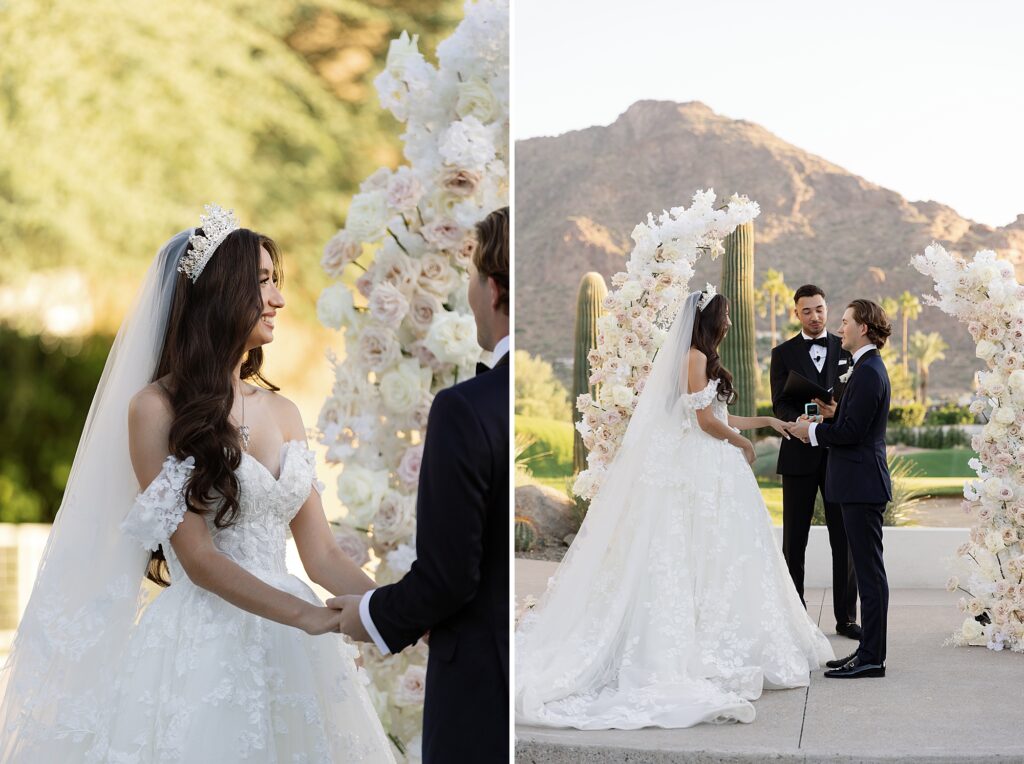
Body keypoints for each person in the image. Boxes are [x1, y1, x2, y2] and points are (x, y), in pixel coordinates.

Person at [0, 205, 395, 762]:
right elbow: (199, 557)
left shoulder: (284, 411)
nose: (279, 299)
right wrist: (308, 616)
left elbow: (323, 552)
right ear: (218, 294)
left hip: (292, 646)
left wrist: (395, 608)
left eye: (275, 282)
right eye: (261, 283)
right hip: (203, 643)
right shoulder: (155, 409)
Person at [515, 286, 834, 730]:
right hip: (702, 467)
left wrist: (767, 422)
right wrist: (742, 443)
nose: (728, 324)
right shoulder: (694, 358)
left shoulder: (705, 359)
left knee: (723, 556)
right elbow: (705, 423)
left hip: (713, 465)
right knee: (701, 551)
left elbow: (718, 415)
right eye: (724, 317)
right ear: (710, 320)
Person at [328, 207, 510, 762]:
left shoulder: (465, 409)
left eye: (474, 276)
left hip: (482, 689)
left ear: (494, 287)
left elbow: (450, 577)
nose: (470, 292)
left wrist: (372, 615)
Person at [788, 299, 892, 679]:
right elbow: (852, 422)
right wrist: (833, 414)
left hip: (862, 484)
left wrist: (811, 431)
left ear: (863, 327)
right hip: (857, 484)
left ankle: (872, 658)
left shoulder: (866, 372)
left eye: (846, 322)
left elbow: (852, 434)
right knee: (867, 573)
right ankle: (866, 652)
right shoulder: (863, 369)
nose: (840, 327)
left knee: (869, 575)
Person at [769, 284, 860, 639]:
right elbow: (779, 403)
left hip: (839, 455)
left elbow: (857, 398)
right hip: (798, 455)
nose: (814, 316)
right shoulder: (782, 353)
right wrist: (799, 422)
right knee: (795, 540)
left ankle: (846, 618)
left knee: (845, 539)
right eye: (806, 311)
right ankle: (796, 619)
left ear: (827, 309)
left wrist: (836, 415)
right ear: (797, 313)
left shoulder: (847, 348)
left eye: (819, 309)